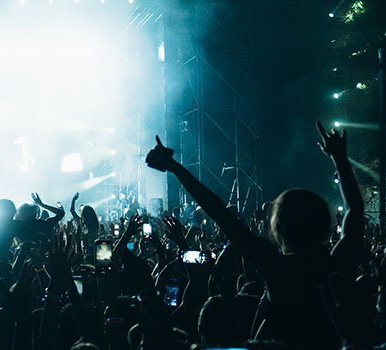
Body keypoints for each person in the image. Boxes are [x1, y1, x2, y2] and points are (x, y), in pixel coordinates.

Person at [145, 121, 364, 349]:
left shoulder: (278, 268)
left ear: (280, 227)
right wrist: (340, 159)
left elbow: (219, 213)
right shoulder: (337, 264)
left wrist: (175, 167)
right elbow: (355, 210)